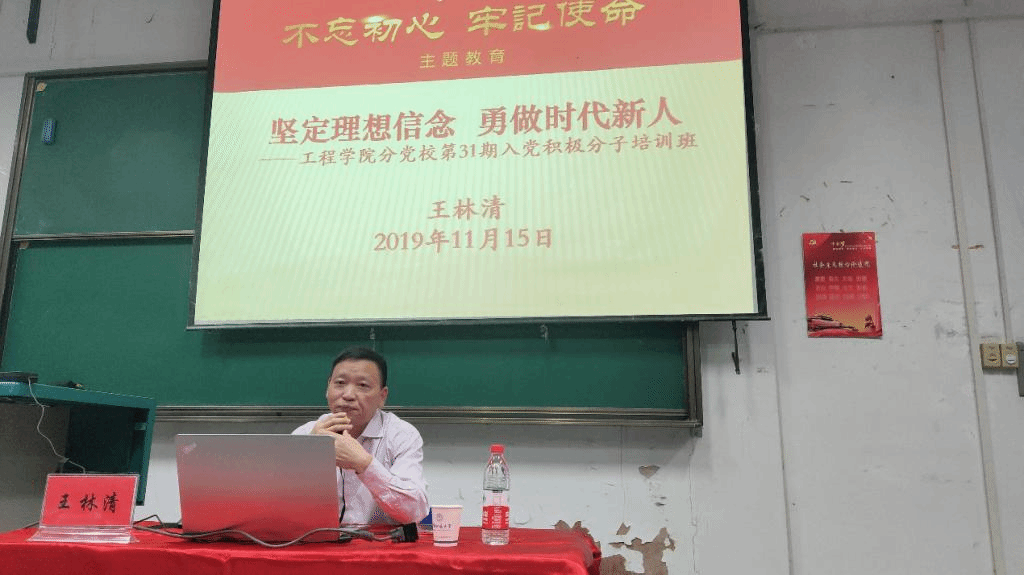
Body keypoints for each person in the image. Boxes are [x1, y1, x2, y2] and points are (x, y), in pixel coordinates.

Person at [292, 346, 429, 525]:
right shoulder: (305, 435)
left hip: (381, 541)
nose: (348, 395)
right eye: (340, 383)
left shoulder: (402, 435)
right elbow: (276, 508)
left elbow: (413, 511)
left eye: (363, 385)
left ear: (382, 396)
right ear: (328, 388)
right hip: (320, 540)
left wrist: (364, 464)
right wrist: (307, 455)